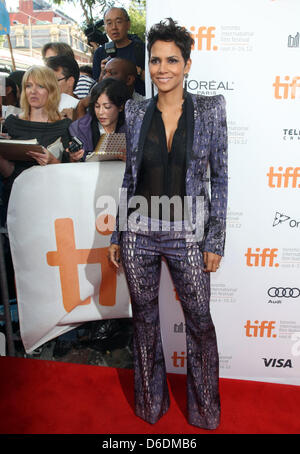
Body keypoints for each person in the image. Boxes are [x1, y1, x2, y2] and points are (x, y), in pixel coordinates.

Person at [108, 18, 228, 430]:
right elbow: (129, 176)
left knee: (200, 323)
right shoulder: (137, 108)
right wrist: (118, 232)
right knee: (143, 322)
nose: (163, 68)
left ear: (187, 64)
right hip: (139, 229)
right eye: (155, 60)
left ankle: (205, 411)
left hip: (189, 234)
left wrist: (216, 238)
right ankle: (149, 405)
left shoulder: (211, 109)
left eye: (172, 60)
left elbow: (222, 177)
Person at [0, 65, 82, 215]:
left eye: (40, 86)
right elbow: (8, 172)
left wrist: (53, 162)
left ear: (51, 90)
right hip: (17, 199)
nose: (33, 91)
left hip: (52, 200)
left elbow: (72, 173)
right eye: (28, 86)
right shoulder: (11, 123)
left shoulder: (65, 126)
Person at [69, 77, 130, 161]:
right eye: (97, 106)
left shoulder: (132, 127)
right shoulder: (80, 128)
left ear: (120, 107)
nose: (101, 112)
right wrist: (74, 157)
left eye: (107, 107)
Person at [92, 7, 145, 96]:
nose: (114, 27)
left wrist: (139, 72)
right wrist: (103, 73)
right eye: (109, 23)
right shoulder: (100, 53)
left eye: (118, 22)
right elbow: (96, 90)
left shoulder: (142, 49)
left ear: (128, 24)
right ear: (105, 27)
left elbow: (154, 81)